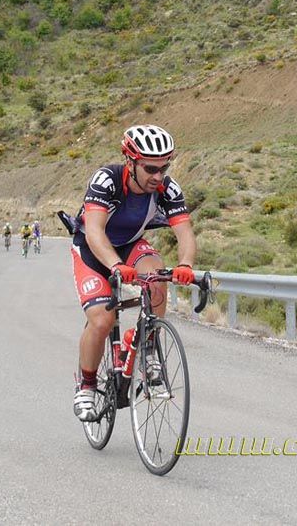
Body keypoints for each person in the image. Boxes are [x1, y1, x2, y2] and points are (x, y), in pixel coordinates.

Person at [70, 124, 197, 422]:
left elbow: (186, 234)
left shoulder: (167, 187)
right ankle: (87, 386)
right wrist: (115, 265)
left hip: (130, 245)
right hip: (92, 248)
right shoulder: (107, 180)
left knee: (157, 279)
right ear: (131, 161)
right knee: (102, 320)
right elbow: (94, 231)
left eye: (164, 167)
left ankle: (149, 349)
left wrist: (186, 265)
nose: (158, 176)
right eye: (151, 168)